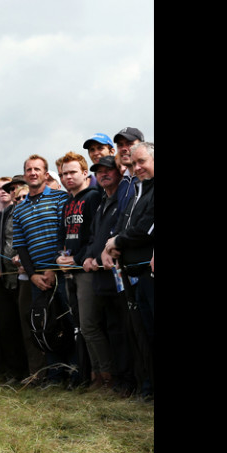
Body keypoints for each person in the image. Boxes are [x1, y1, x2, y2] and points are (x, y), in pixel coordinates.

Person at [11, 156, 70, 386]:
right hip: (37, 279)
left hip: (62, 273)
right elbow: (21, 246)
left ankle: (74, 374)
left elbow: (64, 234)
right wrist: (34, 274)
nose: (33, 172)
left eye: (37, 169)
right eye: (29, 169)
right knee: (46, 326)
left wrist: (54, 269)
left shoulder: (60, 198)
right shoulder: (19, 209)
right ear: (25, 175)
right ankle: (54, 376)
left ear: (46, 174)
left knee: (69, 322)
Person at [103, 141, 154, 399]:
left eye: (142, 161)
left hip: (149, 274)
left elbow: (147, 229)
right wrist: (110, 245)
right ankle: (147, 389)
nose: (137, 167)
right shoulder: (135, 191)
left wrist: (118, 241)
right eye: (133, 164)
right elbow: (122, 226)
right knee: (141, 335)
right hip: (131, 275)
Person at [81, 155, 135, 394]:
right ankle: (119, 380)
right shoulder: (103, 201)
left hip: (121, 276)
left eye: (108, 170)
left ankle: (130, 382)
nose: (103, 174)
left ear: (119, 171)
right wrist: (90, 256)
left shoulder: (125, 198)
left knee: (126, 330)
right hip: (102, 279)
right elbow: (94, 236)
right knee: (112, 329)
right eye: (99, 171)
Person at [55, 151, 103, 388]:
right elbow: (62, 236)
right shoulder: (67, 202)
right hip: (69, 271)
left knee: (91, 325)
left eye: (73, 172)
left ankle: (105, 377)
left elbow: (96, 235)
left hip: (87, 270)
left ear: (85, 173)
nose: (68, 177)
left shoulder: (93, 197)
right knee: (80, 327)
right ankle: (91, 375)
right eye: (64, 174)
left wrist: (78, 258)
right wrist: (61, 257)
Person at [0, 175, 40, 384]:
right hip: (6, 277)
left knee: (27, 326)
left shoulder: (30, 211)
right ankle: (15, 372)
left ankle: (34, 371)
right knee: (7, 326)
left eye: (19, 190)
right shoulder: (3, 213)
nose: (15, 194)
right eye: (12, 191)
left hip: (26, 276)